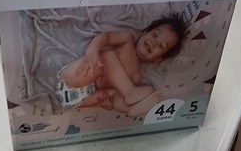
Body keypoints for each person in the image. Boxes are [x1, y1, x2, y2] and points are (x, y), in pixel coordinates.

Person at [54, 13, 188, 116]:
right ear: (145, 32)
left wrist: (109, 105)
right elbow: (106, 37)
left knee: (130, 94)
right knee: (108, 56)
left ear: (158, 59)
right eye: (154, 35)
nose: (154, 42)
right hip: (72, 78)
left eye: (161, 46)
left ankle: (131, 109)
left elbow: (114, 96)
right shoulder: (127, 40)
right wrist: (93, 50)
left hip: (79, 100)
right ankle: (131, 94)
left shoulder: (135, 77)